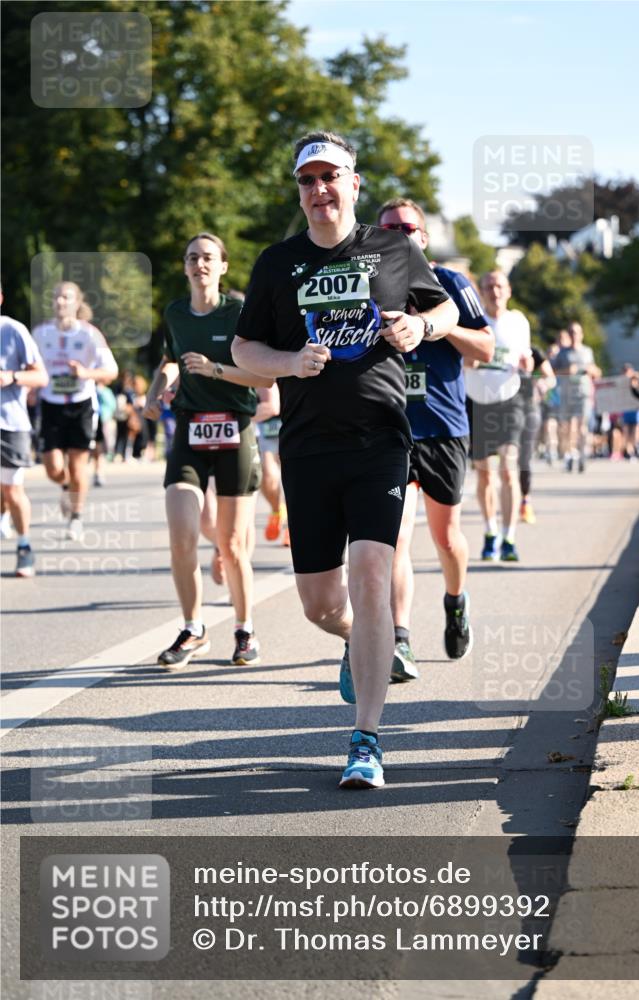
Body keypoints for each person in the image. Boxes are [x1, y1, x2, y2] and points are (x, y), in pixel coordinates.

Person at [232, 130, 459, 789]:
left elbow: (440, 304)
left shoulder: (391, 249)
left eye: (330, 177)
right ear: (299, 191)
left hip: (381, 440)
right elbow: (246, 350)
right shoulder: (278, 263)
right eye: (307, 180)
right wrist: (286, 363)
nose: (319, 189)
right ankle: (357, 644)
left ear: (353, 183)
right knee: (320, 603)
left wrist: (422, 327)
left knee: (370, 571)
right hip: (306, 449)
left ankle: (365, 740)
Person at [375, 198, 494, 677]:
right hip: (390, 429)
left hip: (443, 427)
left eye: (407, 227)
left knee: (446, 539)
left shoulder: (450, 283)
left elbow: (485, 347)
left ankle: (455, 599)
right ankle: (399, 640)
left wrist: (435, 329)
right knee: (395, 539)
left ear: (423, 237)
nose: (399, 234)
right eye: (388, 229)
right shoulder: (372, 289)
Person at [144, 232, 272, 669]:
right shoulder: (175, 313)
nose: (200, 264)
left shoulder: (240, 313)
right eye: (192, 257)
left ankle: (244, 627)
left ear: (223, 267)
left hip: (235, 427)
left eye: (208, 258)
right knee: (181, 537)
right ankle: (194, 628)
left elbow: (265, 377)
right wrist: (155, 390)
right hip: (189, 431)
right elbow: (169, 360)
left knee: (233, 545)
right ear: (184, 267)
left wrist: (216, 370)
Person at [32, 281, 118, 539]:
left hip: (81, 406)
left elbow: (111, 371)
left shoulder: (89, 334)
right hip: (50, 405)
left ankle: (76, 517)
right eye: (56, 297)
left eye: (66, 297)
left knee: (79, 466)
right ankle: (65, 485)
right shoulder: (40, 334)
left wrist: (85, 373)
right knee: (53, 468)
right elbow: (30, 365)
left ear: (77, 303)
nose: (60, 302)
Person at [466, 270, 532, 562]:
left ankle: (509, 537)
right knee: (484, 473)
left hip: (510, 399)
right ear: (481, 291)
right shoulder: (470, 320)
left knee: (508, 468)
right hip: (478, 401)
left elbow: (525, 357)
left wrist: (527, 362)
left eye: (500, 286)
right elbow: (461, 360)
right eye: (489, 286)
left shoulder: (519, 321)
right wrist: (471, 360)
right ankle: (490, 530)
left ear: (509, 290)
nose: (495, 291)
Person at [1, 288, 49, 576]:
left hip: (10, 424)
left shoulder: (13, 330)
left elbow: (41, 376)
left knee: (11, 489)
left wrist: (12, 376)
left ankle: (24, 546)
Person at [552, 321, 600, 473]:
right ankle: (569, 456)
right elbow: (552, 371)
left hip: (583, 393)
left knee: (582, 426)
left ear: (582, 334)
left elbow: (597, 372)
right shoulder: (563, 353)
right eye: (571, 332)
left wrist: (591, 370)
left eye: (577, 332)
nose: (574, 335)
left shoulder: (587, 351)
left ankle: (582, 455)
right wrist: (567, 370)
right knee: (567, 427)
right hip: (566, 393)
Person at [518, 346, 556, 524]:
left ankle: (526, 500)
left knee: (524, 458)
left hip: (528, 408)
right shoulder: (496, 344)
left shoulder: (533, 351)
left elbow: (551, 378)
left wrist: (538, 384)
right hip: (499, 408)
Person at [255, 383, 289, 546]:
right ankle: (277, 510)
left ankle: (294, 526)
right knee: (267, 476)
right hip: (265, 430)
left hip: (290, 424)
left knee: (293, 480)